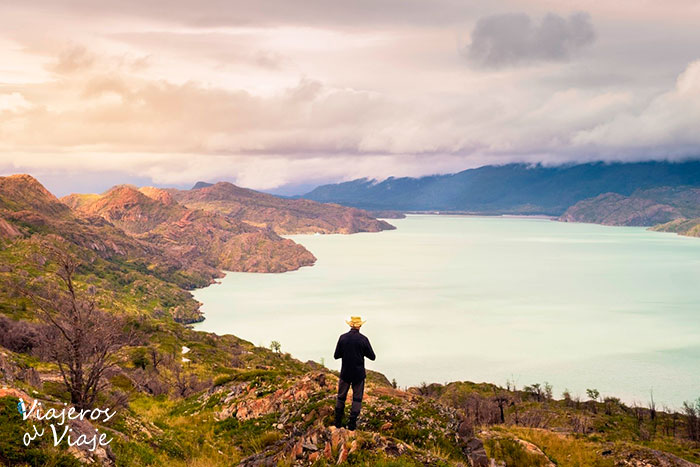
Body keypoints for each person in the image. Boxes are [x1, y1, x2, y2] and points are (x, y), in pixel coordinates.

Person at [333, 316, 376, 430]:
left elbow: (336, 355)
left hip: (345, 372)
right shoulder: (363, 339)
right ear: (360, 326)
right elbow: (372, 357)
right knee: (357, 399)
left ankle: (337, 423)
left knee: (341, 397)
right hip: (358, 374)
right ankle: (351, 425)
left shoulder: (342, 338)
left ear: (350, 325)